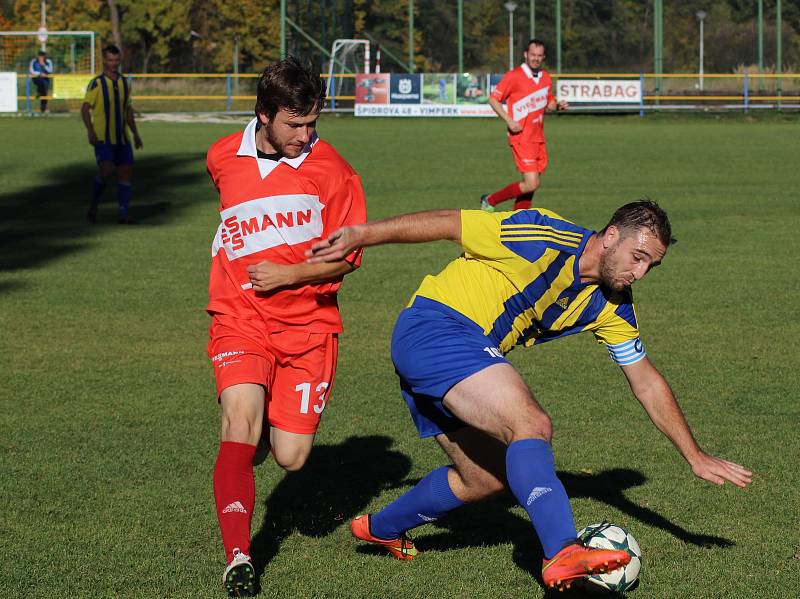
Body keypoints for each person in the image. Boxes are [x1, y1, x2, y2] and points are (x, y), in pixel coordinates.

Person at [307, 200, 752, 591]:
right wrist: (362, 234)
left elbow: (646, 380)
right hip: (437, 327)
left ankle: (380, 528)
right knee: (531, 423)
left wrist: (693, 454)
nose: (640, 272)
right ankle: (561, 550)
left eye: (651, 266)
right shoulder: (543, 234)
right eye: (637, 257)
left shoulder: (614, 306)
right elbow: (449, 222)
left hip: (448, 355)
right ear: (611, 236)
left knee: (485, 479)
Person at [205, 56, 367, 597]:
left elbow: (347, 259)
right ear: (264, 115)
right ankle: (239, 557)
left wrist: (290, 272)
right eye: (293, 124)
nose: (305, 135)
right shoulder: (222, 156)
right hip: (240, 318)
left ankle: (249, 444)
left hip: (308, 329)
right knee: (239, 425)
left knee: (291, 456)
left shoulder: (335, 170)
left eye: (312, 123)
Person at [481, 39, 568, 212]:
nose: (536, 58)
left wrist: (557, 105)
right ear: (526, 55)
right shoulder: (514, 76)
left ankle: (518, 221)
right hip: (521, 137)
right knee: (532, 182)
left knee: (532, 185)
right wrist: (509, 121)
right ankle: (490, 200)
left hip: (538, 137)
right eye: (533, 55)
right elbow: (493, 99)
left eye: (539, 56)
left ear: (543, 57)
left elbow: (548, 102)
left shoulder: (545, 78)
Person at [81, 45, 143, 224]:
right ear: (104, 61)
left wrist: (136, 134)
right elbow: (85, 109)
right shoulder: (97, 83)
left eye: (116, 60)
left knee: (125, 173)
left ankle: (124, 214)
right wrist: (90, 131)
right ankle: (93, 205)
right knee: (106, 171)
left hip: (123, 139)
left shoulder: (125, 82)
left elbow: (128, 110)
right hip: (103, 138)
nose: (113, 63)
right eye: (110, 60)